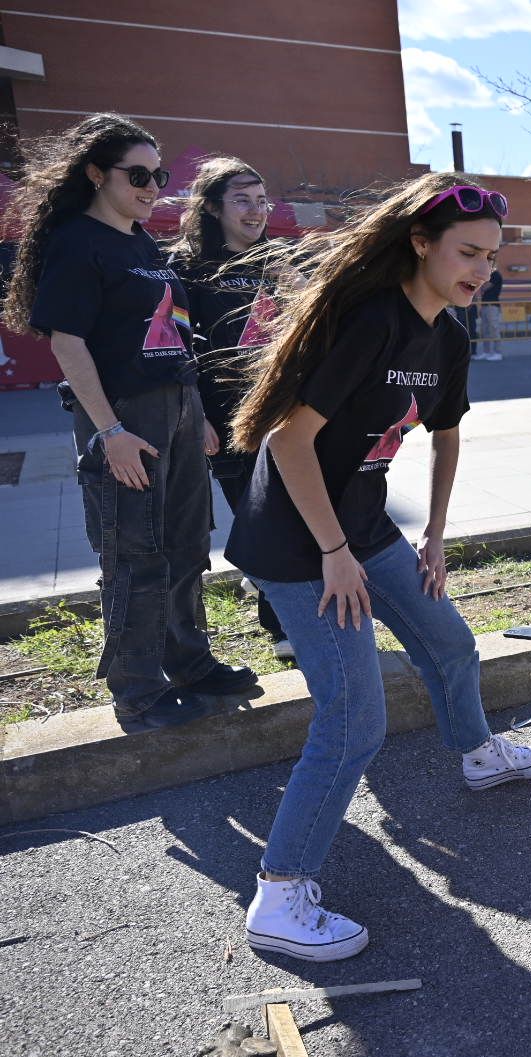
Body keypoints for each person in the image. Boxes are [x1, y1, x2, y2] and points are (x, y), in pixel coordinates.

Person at [224, 174, 531, 961]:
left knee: (449, 642)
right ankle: (279, 894)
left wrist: (436, 536)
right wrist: (336, 557)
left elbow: (445, 435)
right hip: (298, 545)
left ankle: (480, 755)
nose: (483, 269)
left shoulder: (446, 334)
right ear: (420, 243)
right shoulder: (369, 322)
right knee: (353, 721)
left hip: (365, 531)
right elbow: (286, 442)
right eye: (468, 253)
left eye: (491, 256)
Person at [3, 113, 257, 729]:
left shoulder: (144, 244)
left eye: (159, 174)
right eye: (136, 174)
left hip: (178, 411)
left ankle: (191, 664)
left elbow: (174, 331)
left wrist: (193, 409)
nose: (151, 186)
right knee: (136, 557)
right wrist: (110, 433)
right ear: (96, 174)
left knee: (189, 547)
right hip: (124, 422)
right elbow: (68, 344)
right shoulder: (77, 241)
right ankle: (138, 689)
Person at [167, 155, 293, 661]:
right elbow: (176, 348)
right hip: (224, 420)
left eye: (262, 200)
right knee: (256, 514)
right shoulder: (186, 268)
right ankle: (282, 622)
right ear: (213, 207)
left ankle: (286, 602)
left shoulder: (276, 261)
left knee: (292, 513)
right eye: (241, 199)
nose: (255, 210)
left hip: (280, 413)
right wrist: (196, 414)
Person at [474, 267, 503, 362]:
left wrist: (481, 284)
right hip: (485, 305)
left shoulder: (495, 275)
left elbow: (485, 286)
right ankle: (486, 352)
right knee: (485, 329)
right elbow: (481, 288)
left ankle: (497, 353)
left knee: (494, 328)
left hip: (492, 306)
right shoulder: (488, 276)